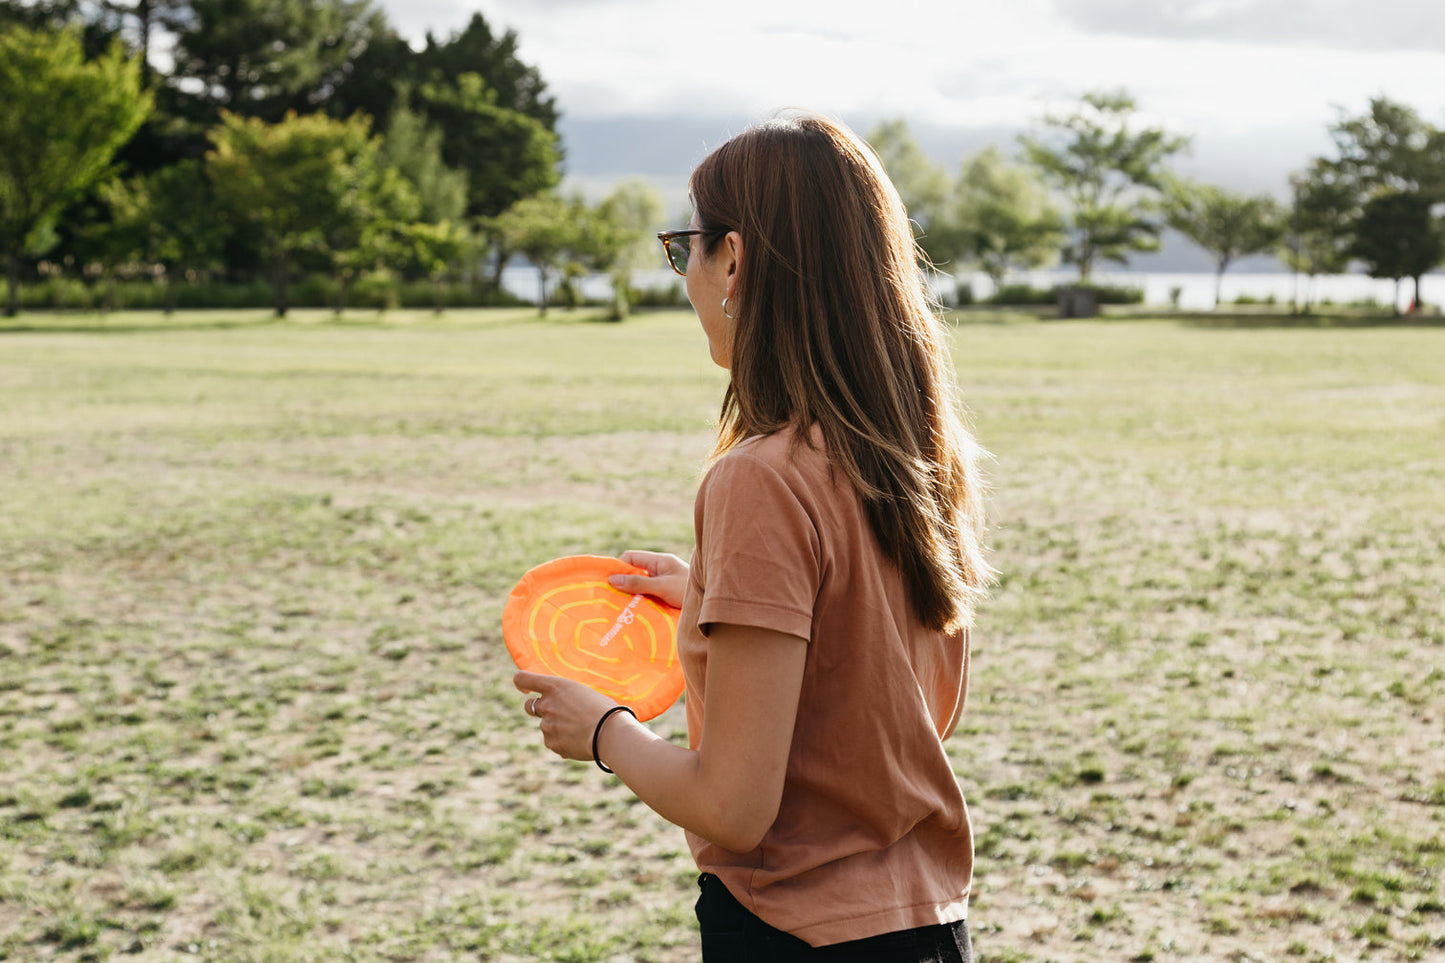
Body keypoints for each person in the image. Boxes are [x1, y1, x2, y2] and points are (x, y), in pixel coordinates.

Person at [514, 111, 993, 962]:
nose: (684, 275)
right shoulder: (916, 456)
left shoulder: (759, 479)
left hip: (794, 938)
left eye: (683, 248)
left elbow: (734, 806)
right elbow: (903, 706)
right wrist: (714, 588)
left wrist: (603, 731)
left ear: (733, 258)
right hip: (929, 926)